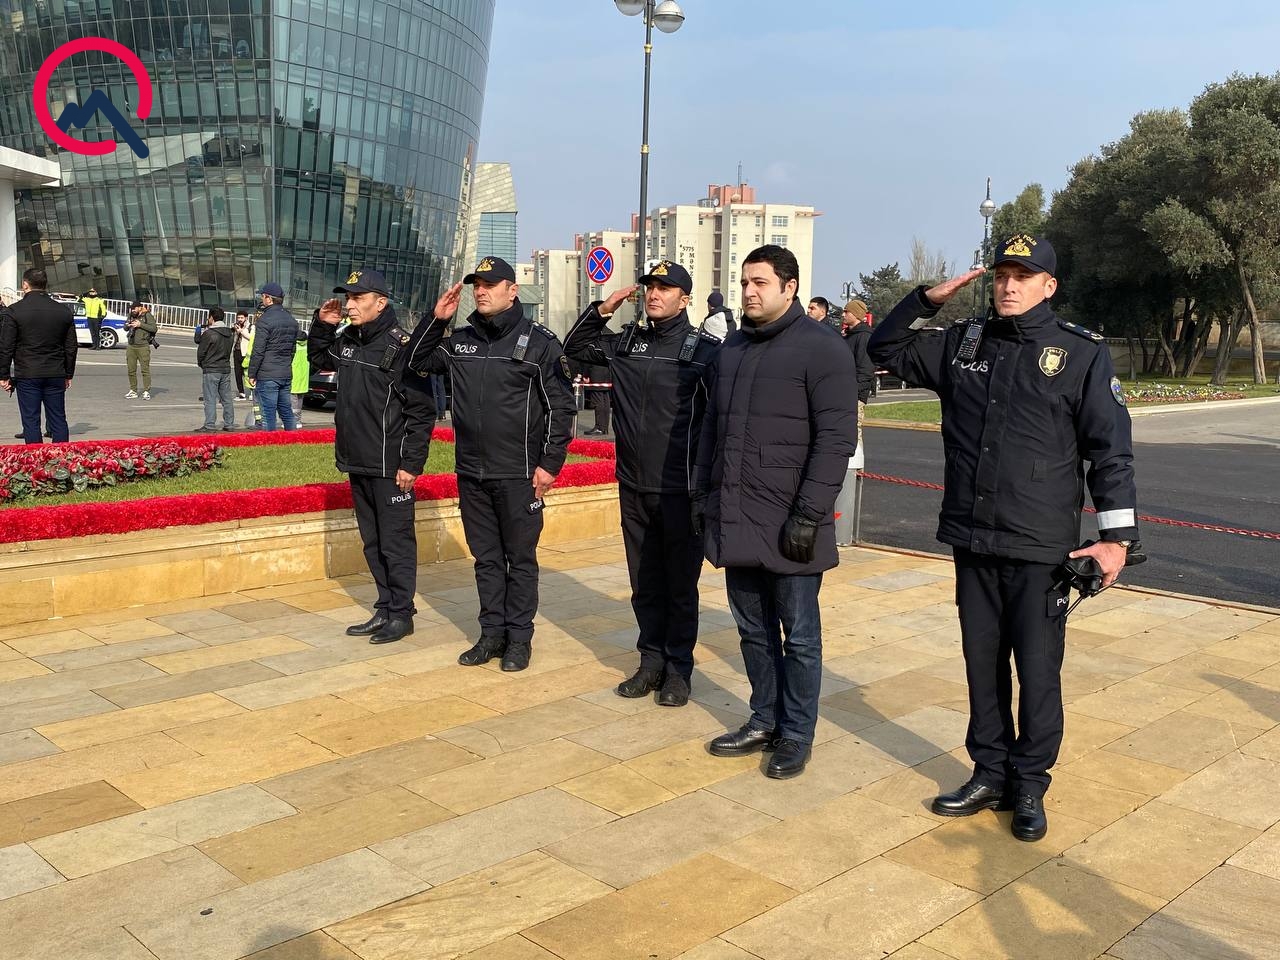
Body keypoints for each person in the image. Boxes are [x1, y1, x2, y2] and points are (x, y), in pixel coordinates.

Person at [868, 234, 1140, 842]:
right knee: (981, 663)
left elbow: (1110, 453)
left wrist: (1116, 540)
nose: (1008, 286)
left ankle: (1029, 784)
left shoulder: (1080, 354)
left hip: (1041, 545)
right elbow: (883, 347)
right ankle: (989, 773)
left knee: (1038, 671)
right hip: (974, 537)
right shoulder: (965, 343)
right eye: (1001, 276)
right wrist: (926, 299)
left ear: (1049, 285)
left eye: (1023, 276)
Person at [698, 245, 857, 779]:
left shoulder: (823, 347)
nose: (748, 291)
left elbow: (836, 440)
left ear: (790, 287)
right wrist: (703, 498)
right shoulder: (732, 347)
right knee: (752, 629)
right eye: (744, 282)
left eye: (760, 282)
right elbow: (713, 430)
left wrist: (809, 514)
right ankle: (763, 718)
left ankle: (796, 733)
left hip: (792, 519)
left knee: (800, 636)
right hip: (737, 513)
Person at [405, 256, 576, 672]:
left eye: (490, 284)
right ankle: (491, 634)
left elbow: (561, 408)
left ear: (512, 291)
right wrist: (436, 319)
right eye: (477, 285)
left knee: (520, 560)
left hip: (519, 474)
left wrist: (550, 464)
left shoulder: (539, 343)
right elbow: (415, 361)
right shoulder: (460, 340)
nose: (481, 291)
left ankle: (519, 638)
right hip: (472, 472)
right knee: (485, 559)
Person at [565, 260, 720, 707]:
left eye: (665, 289)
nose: (654, 294)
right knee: (644, 582)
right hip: (633, 484)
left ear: (684, 299)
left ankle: (678, 670)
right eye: (650, 287)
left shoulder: (706, 352)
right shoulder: (628, 342)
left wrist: (707, 485)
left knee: (679, 587)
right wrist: (603, 309)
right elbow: (574, 348)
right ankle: (650, 662)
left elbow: (718, 423)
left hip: (681, 490)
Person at [310, 268, 437, 645]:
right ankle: (385, 606)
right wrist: (323, 325)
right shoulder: (349, 338)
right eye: (348, 298)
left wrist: (411, 464)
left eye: (358, 298)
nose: (350, 305)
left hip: (390, 466)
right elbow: (319, 358)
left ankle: (402, 613)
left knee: (395, 542)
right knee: (372, 541)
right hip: (357, 459)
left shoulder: (401, 347)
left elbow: (421, 412)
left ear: (380, 303)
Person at [0, 268, 76, 443]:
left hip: (28, 372)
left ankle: (36, 458)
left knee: (31, 421)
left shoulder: (14, 311)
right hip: (55, 371)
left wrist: (3, 375)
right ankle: (62, 456)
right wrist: (68, 373)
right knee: (58, 419)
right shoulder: (63, 311)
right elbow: (71, 346)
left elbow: (6, 346)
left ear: (25, 284)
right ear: (45, 284)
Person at [247, 281, 299, 430]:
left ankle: (270, 441)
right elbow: (292, 349)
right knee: (286, 411)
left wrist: (252, 373)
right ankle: (293, 439)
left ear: (269, 298)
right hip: (285, 372)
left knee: (268, 414)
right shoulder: (291, 320)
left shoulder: (264, 320)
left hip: (268, 374)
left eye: (263, 296)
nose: (262, 299)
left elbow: (258, 350)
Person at [840, 298, 877, 450]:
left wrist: (854, 392)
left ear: (856, 314)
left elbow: (865, 370)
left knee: (854, 432)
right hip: (842, 392)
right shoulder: (848, 336)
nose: (843, 314)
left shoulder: (864, 336)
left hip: (855, 395)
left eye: (846, 311)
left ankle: (857, 463)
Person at [195, 306, 236, 432]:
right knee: (226, 398)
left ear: (212, 317)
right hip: (225, 367)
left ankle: (209, 424)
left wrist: (202, 363)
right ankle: (229, 424)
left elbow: (201, 352)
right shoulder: (230, 333)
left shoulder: (209, 333)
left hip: (211, 368)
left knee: (210, 398)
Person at [124, 299, 157, 400]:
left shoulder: (147, 315)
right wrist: (127, 325)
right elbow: (125, 328)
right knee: (131, 370)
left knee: (145, 370)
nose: (133, 310)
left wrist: (140, 325)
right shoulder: (131, 315)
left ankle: (146, 391)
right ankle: (133, 390)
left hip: (143, 346)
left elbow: (154, 328)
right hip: (131, 346)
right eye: (131, 308)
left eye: (134, 308)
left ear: (139, 307)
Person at [580, 355, 612, 437]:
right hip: (607, 372)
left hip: (596, 372)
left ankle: (599, 427)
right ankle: (604, 427)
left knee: (598, 401)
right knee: (605, 399)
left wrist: (585, 374)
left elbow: (589, 358)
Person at [291, 324, 311, 428]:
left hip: (294, 375)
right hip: (304, 376)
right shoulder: (307, 345)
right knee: (300, 399)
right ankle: (298, 420)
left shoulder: (293, 345)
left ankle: (293, 421)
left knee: (293, 400)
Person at [232, 310, 251, 398]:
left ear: (246, 318)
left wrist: (241, 331)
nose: (240, 319)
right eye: (238, 317)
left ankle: (252, 392)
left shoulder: (251, 327)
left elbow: (251, 337)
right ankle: (241, 392)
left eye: (241, 318)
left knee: (247, 373)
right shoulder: (236, 326)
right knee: (237, 373)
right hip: (237, 351)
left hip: (246, 352)